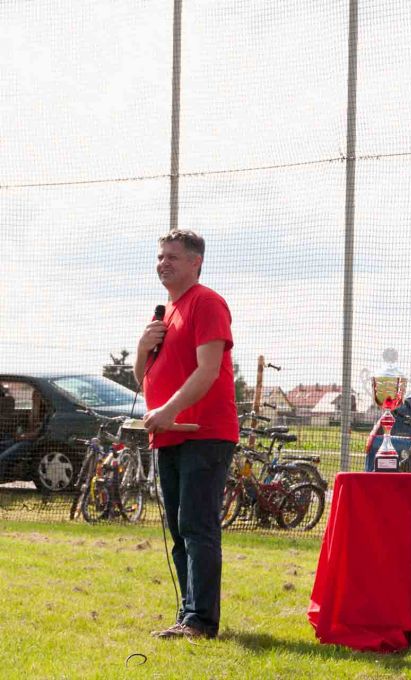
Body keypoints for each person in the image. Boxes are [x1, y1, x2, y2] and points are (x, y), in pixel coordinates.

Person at [135, 229, 239, 640]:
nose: (163, 263)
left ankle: (201, 621)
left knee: (197, 526)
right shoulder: (166, 312)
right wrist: (142, 347)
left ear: (196, 262)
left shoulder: (206, 302)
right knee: (180, 530)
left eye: (172, 257)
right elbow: (143, 377)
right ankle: (188, 615)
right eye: (160, 256)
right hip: (170, 435)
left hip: (204, 434)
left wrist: (168, 410)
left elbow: (208, 371)